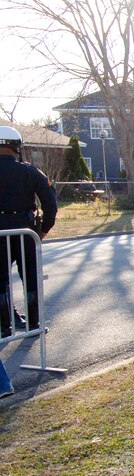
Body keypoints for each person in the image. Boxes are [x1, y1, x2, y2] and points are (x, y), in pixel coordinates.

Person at [0, 125, 57, 338]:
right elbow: (50, 204)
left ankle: (5, 327)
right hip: (25, 231)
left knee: (0, 280)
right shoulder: (30, 171)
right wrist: (43, 230)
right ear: (17, 147)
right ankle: (34, 325)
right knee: (30, 277)